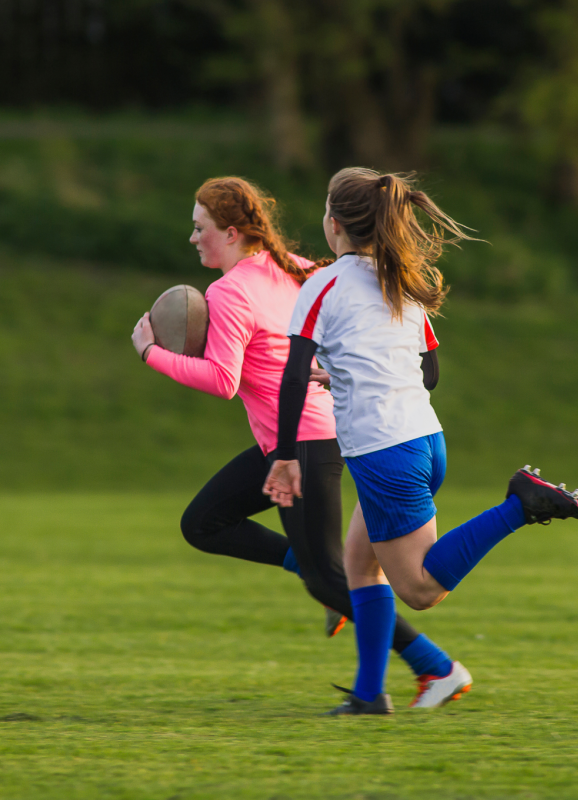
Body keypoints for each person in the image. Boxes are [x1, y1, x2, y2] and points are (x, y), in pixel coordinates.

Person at [264, 167, 578, 715]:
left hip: (383, 453)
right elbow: (430, 373)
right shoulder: (399, 280)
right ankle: (369, 696)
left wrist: (284, 456)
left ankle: (521, 505)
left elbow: (294, 375)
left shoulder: (323, 285)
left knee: (420, 590)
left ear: (335, 224)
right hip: (423, 440)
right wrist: (348, 373)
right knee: (360, 566)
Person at [131, 176, 473, 708]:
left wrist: (151, 352)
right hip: (315, 435)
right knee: (204, 523)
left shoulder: (229, 290)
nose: (193, 238)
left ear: (231, 232)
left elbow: (222, 379)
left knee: (334, 577)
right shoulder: (296, 266)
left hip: (302, 444)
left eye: (200, 228)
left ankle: (436, 667)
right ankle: (317, 571)